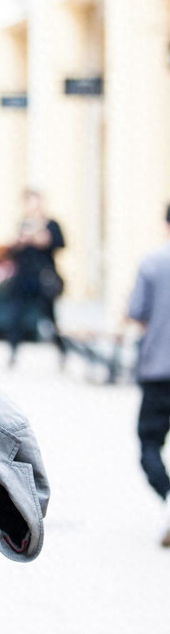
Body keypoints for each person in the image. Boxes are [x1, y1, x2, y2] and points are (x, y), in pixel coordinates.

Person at [128, 204, 170, 547]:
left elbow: (136, 312)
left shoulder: (153, 262)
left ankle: (168, 496)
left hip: (159, 368)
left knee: (149, 443)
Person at [6, 189, 66, 365]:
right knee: (16, 315)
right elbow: (13, 250)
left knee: (50, 316)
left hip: (43, 276)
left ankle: (62, 349)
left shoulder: (51, 224)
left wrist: (41, 238)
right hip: (24, 277)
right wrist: (20, 241)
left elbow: (60, 243)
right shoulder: (23, 224)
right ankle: (13, 352)